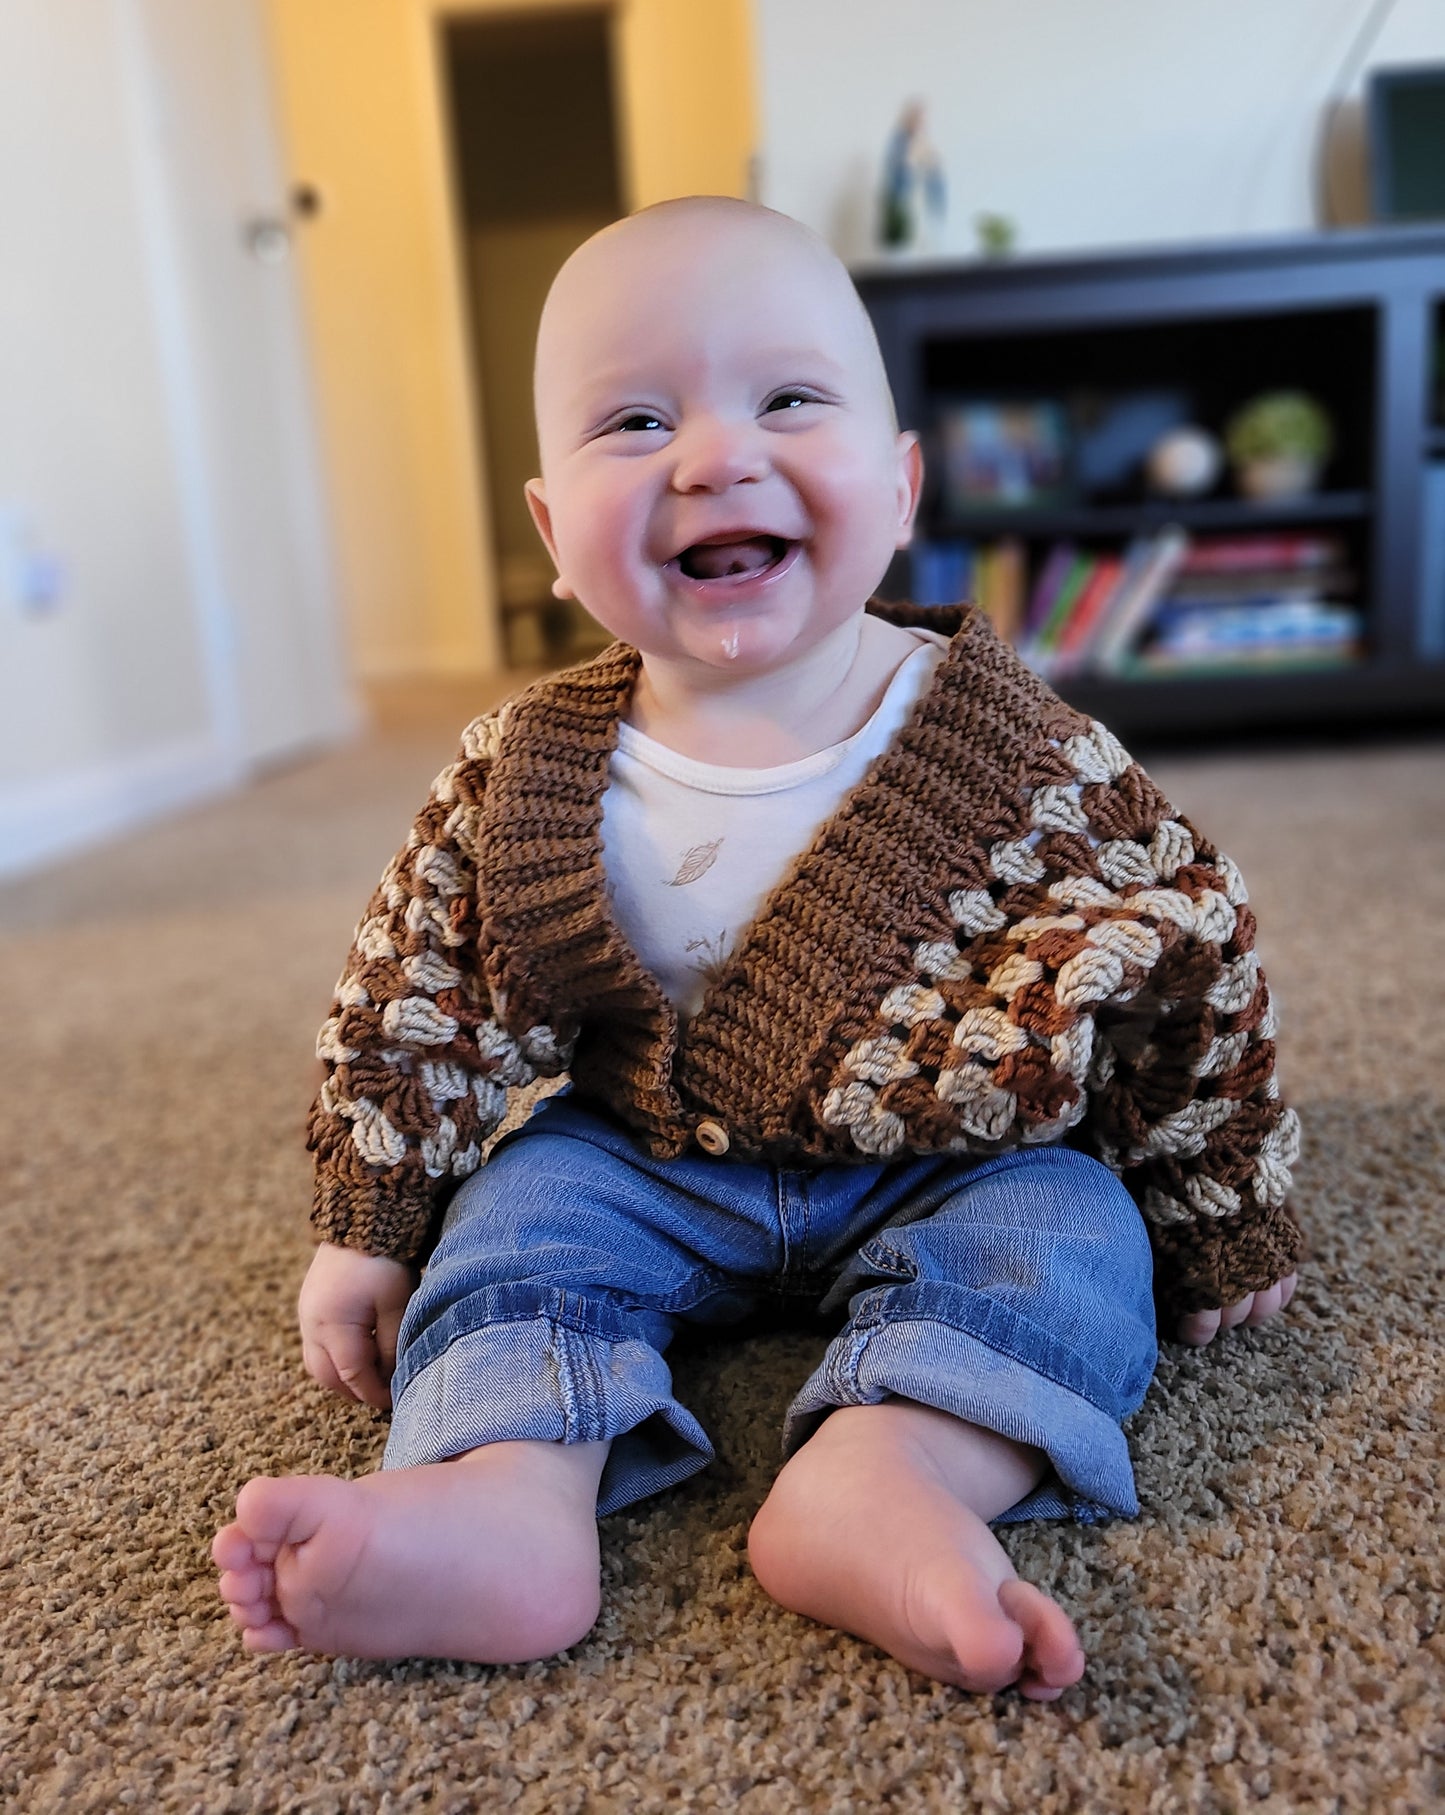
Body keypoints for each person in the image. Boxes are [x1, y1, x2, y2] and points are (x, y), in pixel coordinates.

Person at [212, 197, 1302, 1698]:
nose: (713, 456)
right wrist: (373, 1209)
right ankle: (503, 1505)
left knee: (1067, 1234)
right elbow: (423, 990)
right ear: (548, 530)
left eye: (787, 400)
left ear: (902, 482)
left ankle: (890, 1474)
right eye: (634, 419)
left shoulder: (1023, 758)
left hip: (953, 1151)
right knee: (517, 1226)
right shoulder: (525, 768)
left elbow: (1185, 966)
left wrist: (1211, 1196)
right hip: (641, 1154)